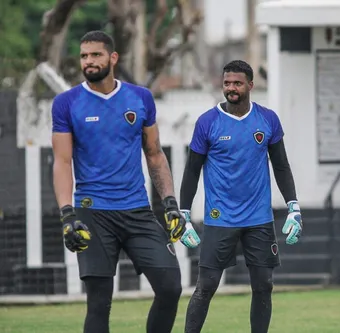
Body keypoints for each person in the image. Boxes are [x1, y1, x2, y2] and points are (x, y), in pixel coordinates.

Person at [51, 30, 199, 333]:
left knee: (170, 286)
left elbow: (155, 154)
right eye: (84, 56)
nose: (89, 62)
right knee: (99, 303)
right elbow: (63, 162)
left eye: (96, 55)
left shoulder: (140, 98)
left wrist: (170, 204)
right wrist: (67, 215)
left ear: (112, 57)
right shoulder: (67, 103)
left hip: (137, 211)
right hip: (92, 214)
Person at [179, 60, 303, 333]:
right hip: (220, 217)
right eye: (226, 83)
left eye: (236, 83)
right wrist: (184, 216)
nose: (231, 88)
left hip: (259, 218)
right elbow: (191, 171)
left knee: (263, 285)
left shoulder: (267, 119)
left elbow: (281, 166)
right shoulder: (207, 122)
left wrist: (293, 208)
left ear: (250, 85)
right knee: (207, 285)